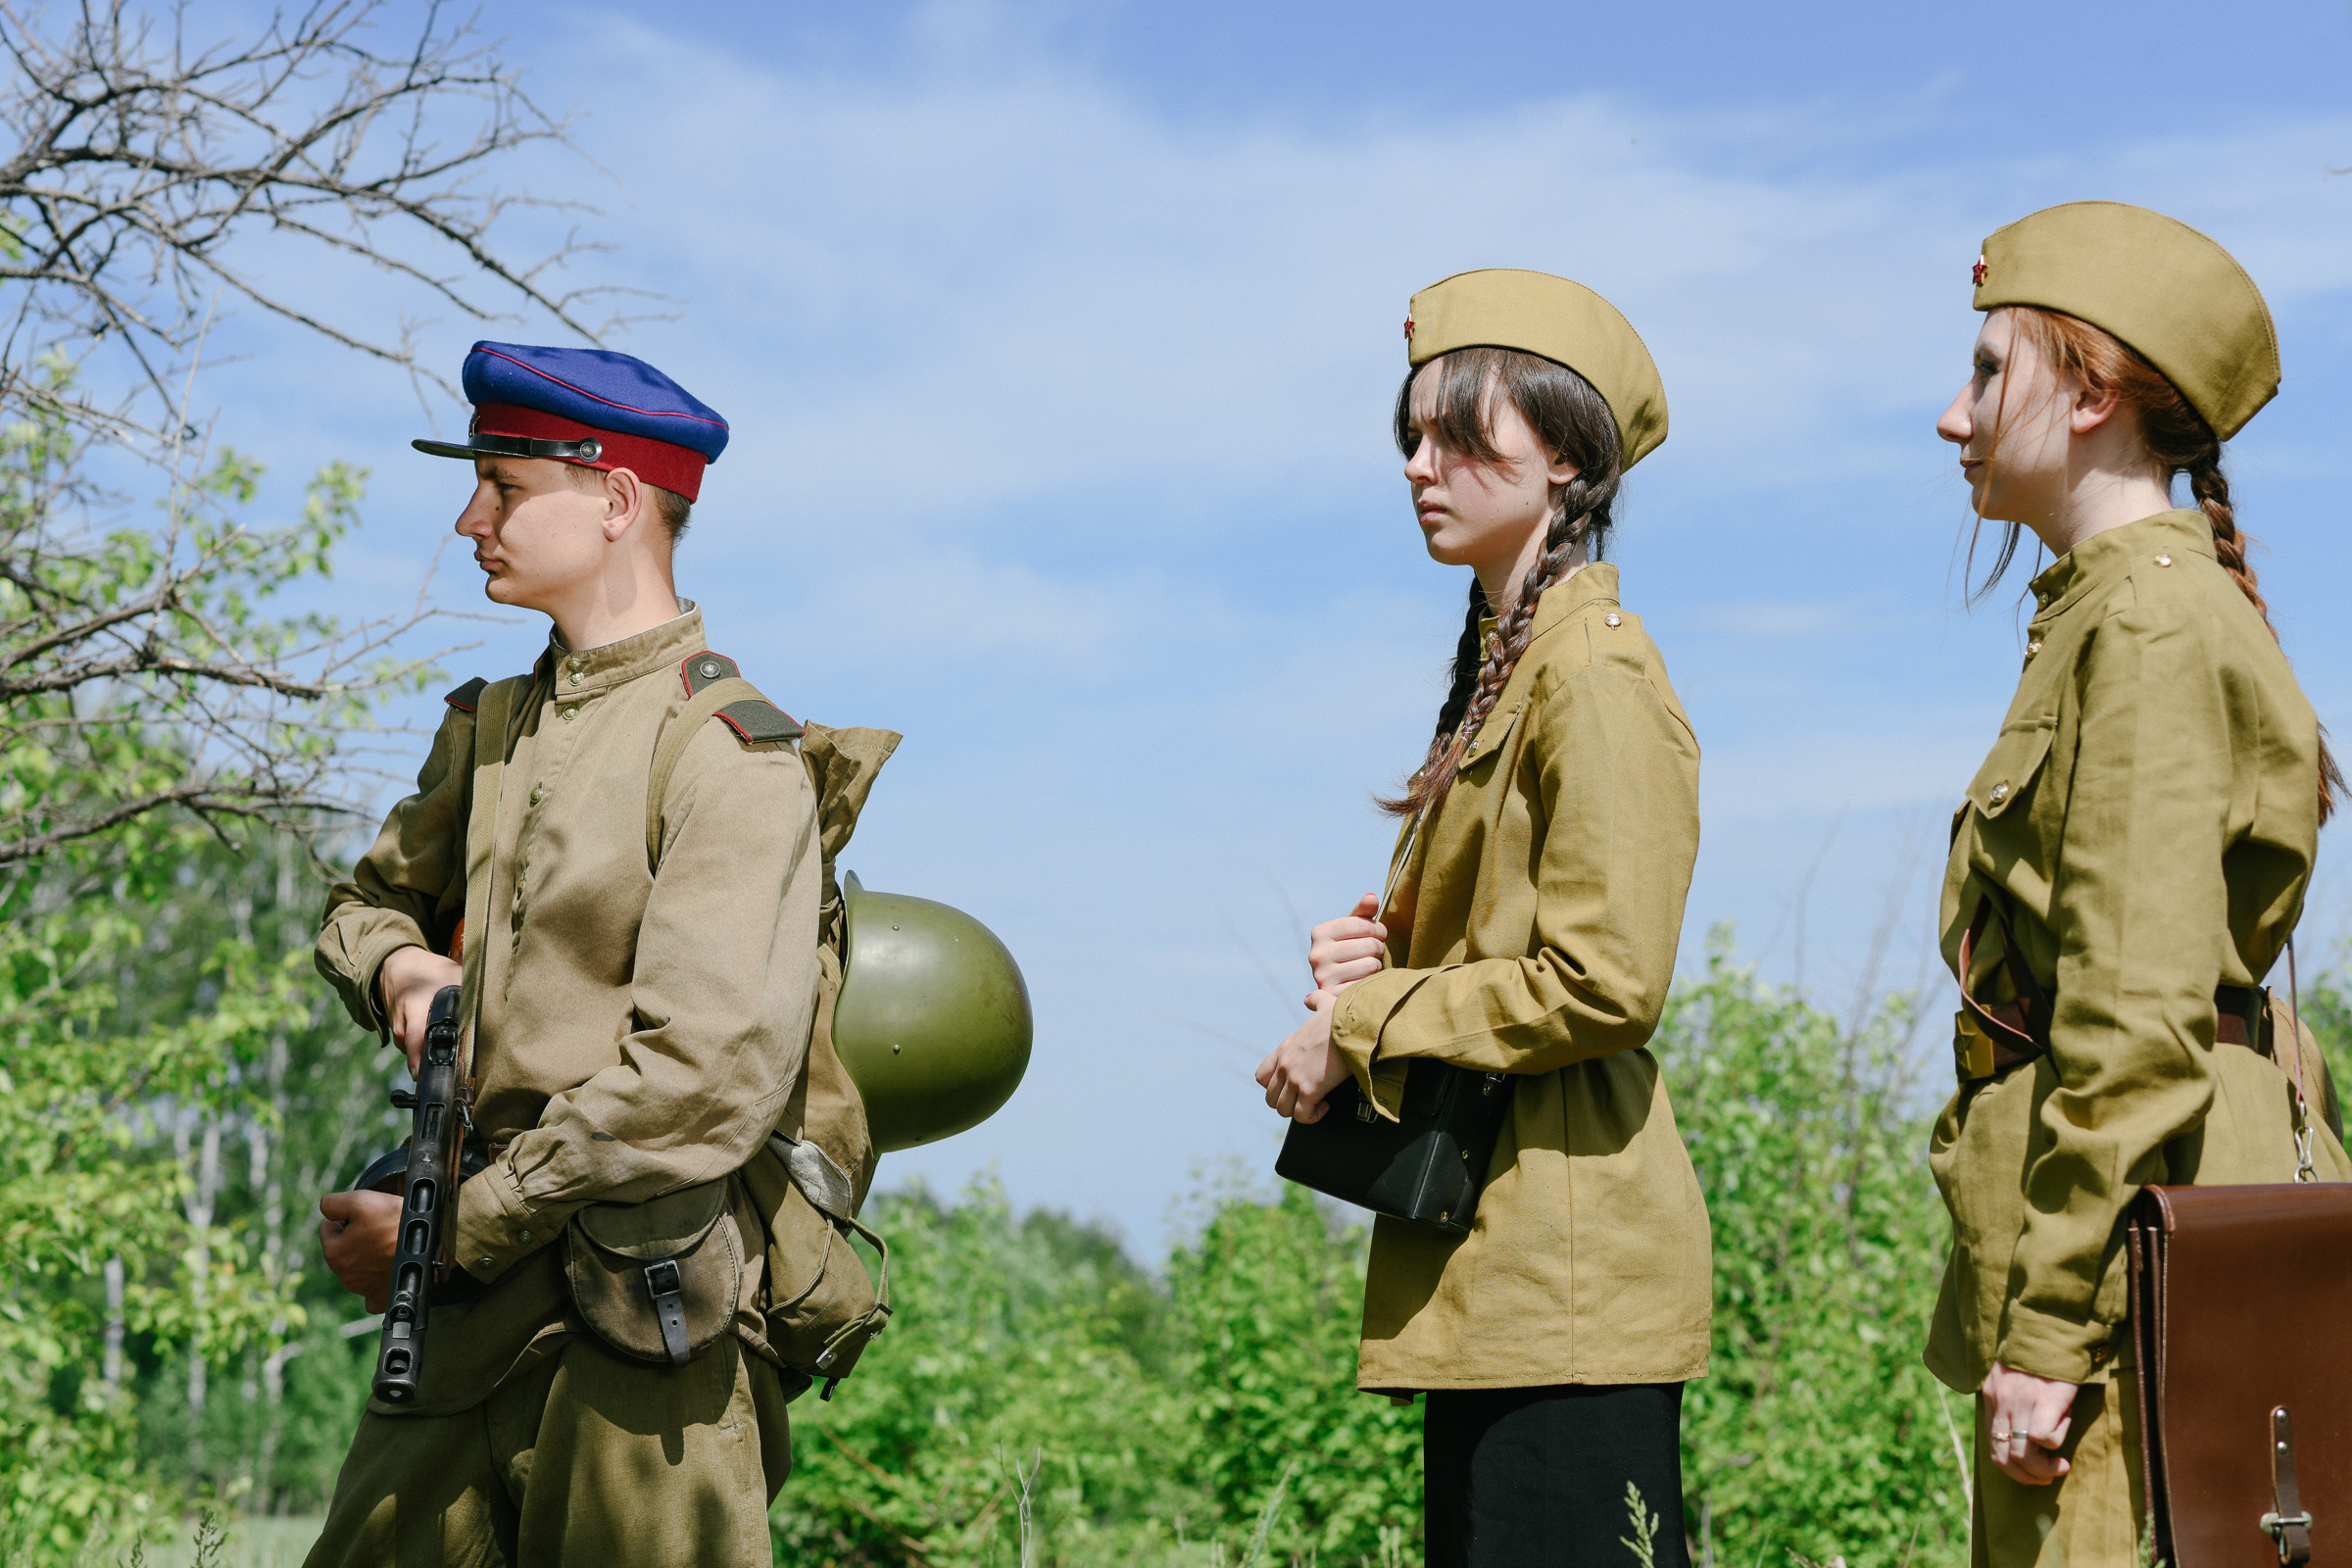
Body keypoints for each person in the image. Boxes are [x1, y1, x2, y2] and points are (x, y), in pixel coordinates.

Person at [307, 342, 821, 1566]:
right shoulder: (491, 724)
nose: (469, 517)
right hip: (460, 1309)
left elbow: (701, 1077)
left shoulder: (730, 752)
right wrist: (400, 972)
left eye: (504, 486)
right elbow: (360, 905)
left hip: (640, 1330)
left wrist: (447, 1228)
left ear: (616, 501)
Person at [1255, 269, 1711, 1568]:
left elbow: (1605, 981)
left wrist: (1364, 1017)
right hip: (1508, 1272)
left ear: (1564, 456)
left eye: (1460, 434)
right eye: (1409, 435)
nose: (1418, 464)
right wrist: (1387, 961)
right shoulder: (1512, 667)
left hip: (1566, 1287)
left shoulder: (1595, 669)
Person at [1928, 202, 2352, 1567]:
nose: (1955, 414)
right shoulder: (2118, 609)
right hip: (2128, 1229)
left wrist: (2054, 1329)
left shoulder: (2150, 624)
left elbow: (2133, 1007)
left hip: (2128, 1252)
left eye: (1992, 370)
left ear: (2094, 389)